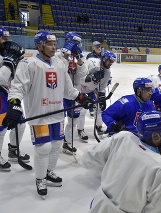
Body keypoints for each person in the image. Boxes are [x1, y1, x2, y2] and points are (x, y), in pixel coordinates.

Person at [2, 31, 93, 198]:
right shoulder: (28, 64)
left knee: (57, 145)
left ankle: (49, 171)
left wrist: (82, 98)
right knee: (43, 148)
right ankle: (40, 178)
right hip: (39, 115)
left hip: (57, 115)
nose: (53, 47)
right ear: (39, 46)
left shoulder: (59, 64)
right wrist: (14, 105)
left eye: (54, 44)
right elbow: (17, 88)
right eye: (49, 44)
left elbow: (68, 90)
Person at [80, 111, 161, 212]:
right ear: (155, 136)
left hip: (98, 206)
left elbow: (88, 159)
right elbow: (158, 210)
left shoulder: (123, 138)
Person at [55, 32, 88, 153]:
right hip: (60, 94)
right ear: (67, 41)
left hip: (75, 94)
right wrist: (66, 56)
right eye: (74, 43)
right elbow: (58, 72)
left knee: (73, 119)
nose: (76, 46)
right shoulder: (58, 55)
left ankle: (67, 142)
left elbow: (82, 74)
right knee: (59, 119)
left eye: (78, 44)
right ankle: (55, 143)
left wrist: (80, 61)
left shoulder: (79, 57)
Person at [0, 27, 27, 171]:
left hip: (9, 94)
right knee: (1, 127)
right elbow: (1, 78)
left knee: (20, 123)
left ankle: (13, 149)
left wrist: (16, 58)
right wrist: (10, 61)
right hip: (0, 95)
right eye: (3, 38)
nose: (6, 41)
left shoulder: (5, 53)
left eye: (7, 38)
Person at [78, 50, 116, 138]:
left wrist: (102, 96)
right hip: (82, 88)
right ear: (104, 59)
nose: (111, 63)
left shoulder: (107, 72)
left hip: (93, 89)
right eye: (109, 61)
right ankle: (80, 129)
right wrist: (92, 78)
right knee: (83, 110)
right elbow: (80, 77)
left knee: (99, 108)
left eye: (112, 62)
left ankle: (98, 127)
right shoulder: (92, 64)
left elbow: (102, 86)